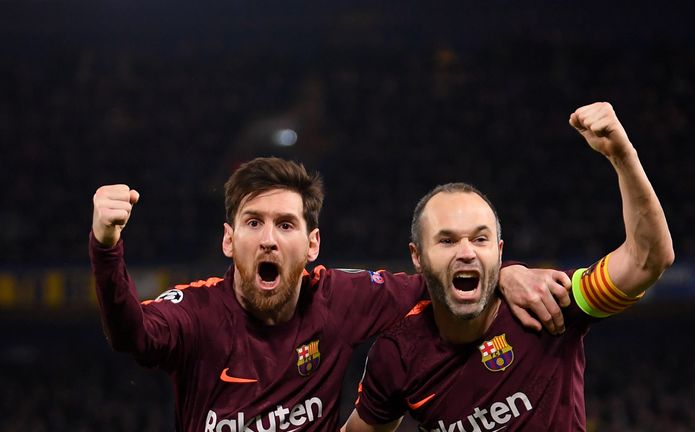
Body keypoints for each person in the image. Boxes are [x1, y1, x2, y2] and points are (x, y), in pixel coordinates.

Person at [89, 157, 572, 431]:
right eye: (253, 223)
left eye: (286, 224)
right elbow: (132, 335)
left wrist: (505, 273)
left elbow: (445, 279)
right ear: (229, 240)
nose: (270, 239)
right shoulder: (195, 313)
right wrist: (106, 249)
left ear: (313, 244)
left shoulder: (340, 300)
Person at [343, 102, 675, 432]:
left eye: (480, 239)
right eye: (446, 241)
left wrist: (622, 156)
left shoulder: (549, 302)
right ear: (417, 256)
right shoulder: (397, 355)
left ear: (499, 252)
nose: (466, 252)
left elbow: (647, 261)